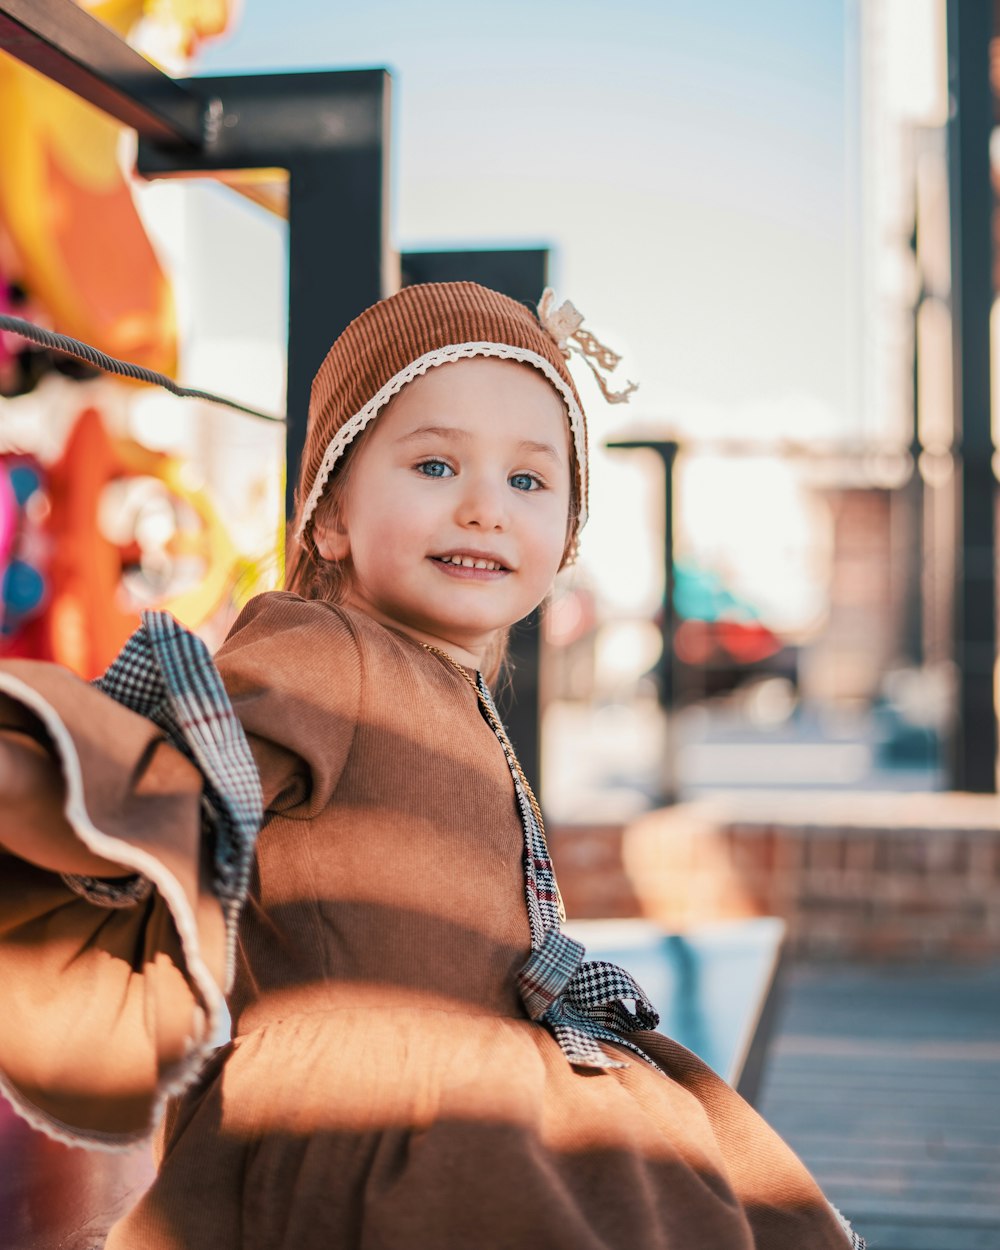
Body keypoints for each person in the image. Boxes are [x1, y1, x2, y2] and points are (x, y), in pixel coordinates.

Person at [0, 282, 864, 1249]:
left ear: (565, 539)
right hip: (367, 1121)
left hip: (472, 1096)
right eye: (436, 463)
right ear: (329, 517)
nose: (484, 508)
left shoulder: (446, 689)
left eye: (528, 482)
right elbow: (155, 780)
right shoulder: (325, 651)